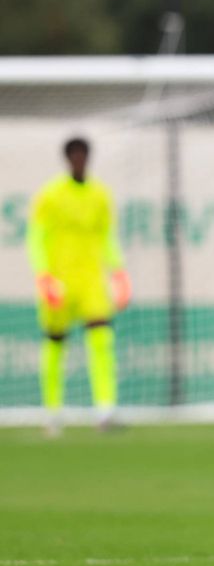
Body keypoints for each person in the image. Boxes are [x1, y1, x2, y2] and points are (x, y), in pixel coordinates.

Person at [26, 138, 131, 435]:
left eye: (83, 155)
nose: (79, 160)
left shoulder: (100, 195)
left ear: (89, 158)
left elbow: (107, 238)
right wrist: (43, 275)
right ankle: (53, 413)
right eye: (74, 155)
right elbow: (35, 237)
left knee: (102, 342)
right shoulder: (50, 195)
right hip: (59, 281)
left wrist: (119, 271)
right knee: (55, 345)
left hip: (92, 282)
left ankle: (105, 410)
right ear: (67, 159)